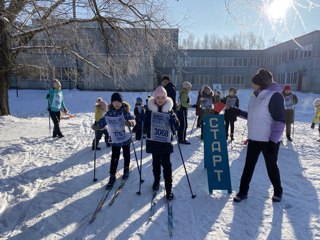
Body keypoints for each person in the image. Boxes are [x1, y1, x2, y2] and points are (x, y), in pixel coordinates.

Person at [231, 69, 285, 203]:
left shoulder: (275, 96)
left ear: (261, 83)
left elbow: (280, 120)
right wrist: (237, 111)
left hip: (269, 140)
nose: (252, 85)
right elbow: (252, 116)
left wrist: (273, 141)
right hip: (254, 138)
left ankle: (278, 191)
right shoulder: (254, 96)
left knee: (271, 167)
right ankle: (243, 192)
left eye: (254, 83)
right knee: (248, 166)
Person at [92, 92, 135, 189]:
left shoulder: (125, 112)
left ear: (121, 102)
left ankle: (126, 169)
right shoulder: (109, 113)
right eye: (114, 102)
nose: (116, 104)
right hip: (115, 139)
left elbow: (133, 119)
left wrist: (131, 123)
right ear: (112, 103)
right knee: (114, 157)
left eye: (118, 102)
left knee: (126, 154)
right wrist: (97, 126)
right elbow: (103, 121)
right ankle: (112, 175)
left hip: (126, 138)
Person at [144, 86, 179, 200]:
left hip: (165, 143)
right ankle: (156, 180)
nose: (160, 99)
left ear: (166, 98)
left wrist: (174, 122)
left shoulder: (169, 110)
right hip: (154, 141)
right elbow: (144, 126)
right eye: (158, 97)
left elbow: (177, 125)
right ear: (154, 98)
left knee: (167, 165)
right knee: (155, 163)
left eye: (162, 97)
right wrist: (142, 120)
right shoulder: (149, 110)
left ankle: (169, 188)